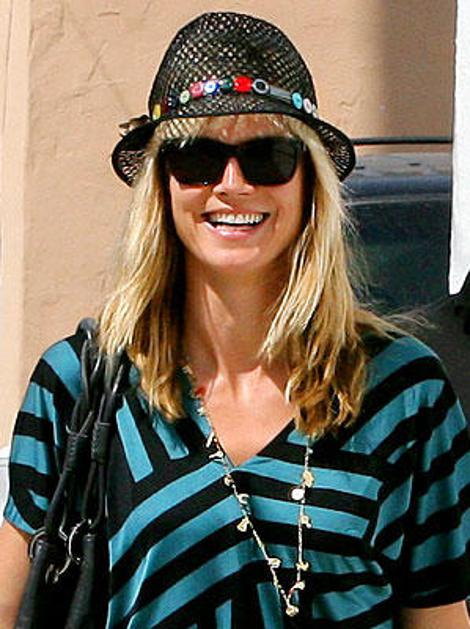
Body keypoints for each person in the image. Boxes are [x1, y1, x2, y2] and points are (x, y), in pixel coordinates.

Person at [0, 11, 469, 628]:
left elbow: (437, 617)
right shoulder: (83, 383)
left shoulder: (403, 391)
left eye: (268, 156)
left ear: (309, 184)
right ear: (163, 187)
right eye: (197, 158)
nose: (232, 184)